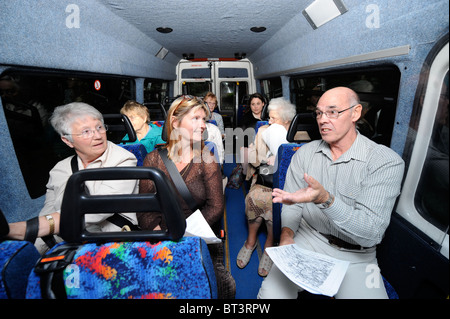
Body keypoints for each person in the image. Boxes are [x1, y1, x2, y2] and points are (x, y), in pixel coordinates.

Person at [258, 87, 405, 299]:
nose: (322, 120)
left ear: (355, 113)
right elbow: (293, 204)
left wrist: (325, 199)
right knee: (269, 296)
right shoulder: (304, 154)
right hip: (308, 239)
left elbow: (371, 233)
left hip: (358, 256)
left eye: (333, 112)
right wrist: (287, 236)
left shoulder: (385, 162)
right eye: (319, 113)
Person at [6, 102, 139, 254]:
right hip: (65, 238)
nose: (97, 136)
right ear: (68, 141)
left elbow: (98, 210)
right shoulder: (60, 170)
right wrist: (37, 246)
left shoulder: (123, 160)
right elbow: (48, 210)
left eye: (99, 127)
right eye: (86, 132)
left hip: (109, 239)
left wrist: (28, 228)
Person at [137, 95, 235, 299]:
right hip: (161, 235)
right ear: (175, 122)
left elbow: (216, 207)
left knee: (224, 287)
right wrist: (160, 235)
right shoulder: (153, 159)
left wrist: (185, 236)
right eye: (196, 119)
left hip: (197, 232)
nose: (203, 125)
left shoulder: (206, 156)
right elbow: (145, 207)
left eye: (204, 120)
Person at [237, 98, 296, 277]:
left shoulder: (300, 137)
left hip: (288, 185)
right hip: (263, 179)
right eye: (268, 117)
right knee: (254, 199)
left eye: (274, 119)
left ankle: (270, 244)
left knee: (274, 204)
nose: (269, 122)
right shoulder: (263, 131)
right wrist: (266, 157)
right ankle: (251, 240)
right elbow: (254, 162)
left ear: (287, 121)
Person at [239, 93, 266, 176]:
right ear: (250, 106)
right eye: (253, 104)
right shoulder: (246, 118)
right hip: (251, 145)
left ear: (263, 104)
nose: (256, 107)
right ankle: (248, 175)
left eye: (258, 103)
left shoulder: (269, 117)